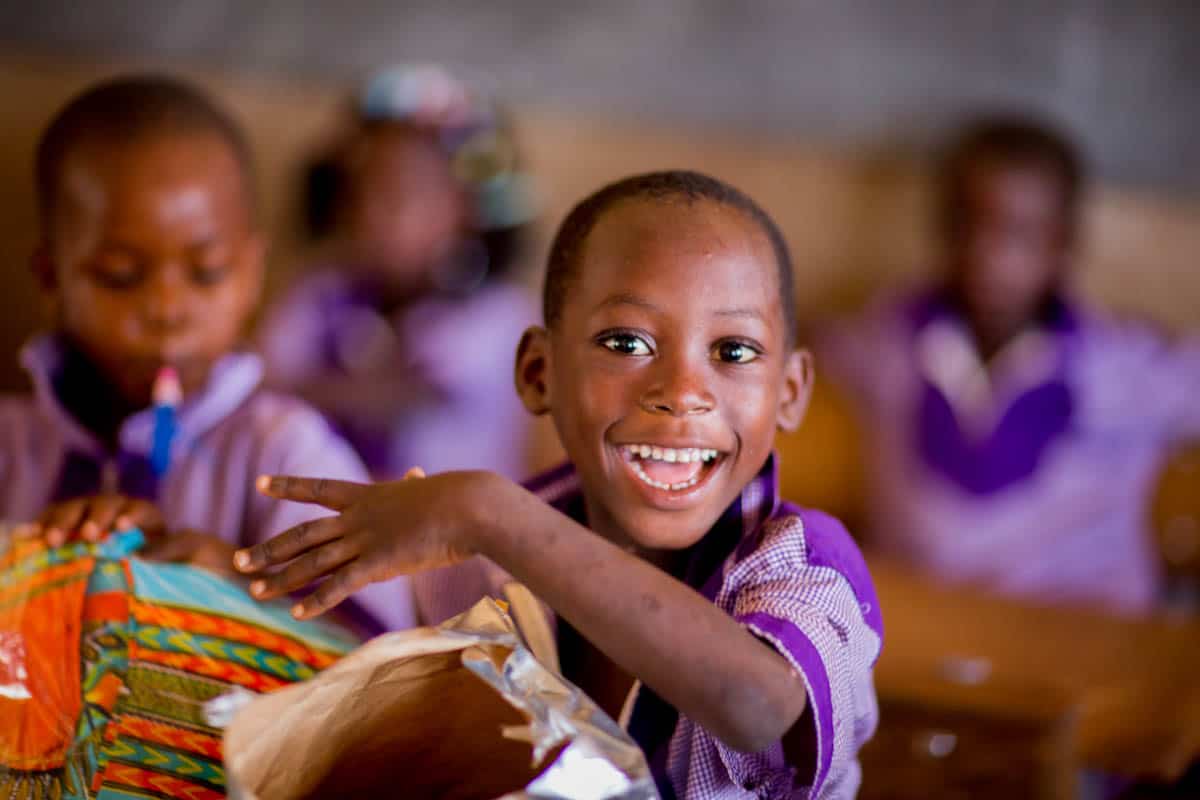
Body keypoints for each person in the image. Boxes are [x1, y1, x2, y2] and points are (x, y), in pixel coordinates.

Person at [236, 171, 882, 799]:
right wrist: (222, 573)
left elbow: (754, 706)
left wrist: (487, 511)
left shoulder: (803, 564)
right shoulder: (485, 557)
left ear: (790, 392)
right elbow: (367, 664)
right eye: (627, 342)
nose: (684, 394)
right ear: (540, 373)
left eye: (734, 352)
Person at [3, 74, 415, 633]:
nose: (168, 309)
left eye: (208, 273)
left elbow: (383, 664)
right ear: (51, 279)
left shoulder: (283, 452)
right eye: (120, 276)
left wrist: (240, 590)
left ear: (251, 274)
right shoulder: (11, 447)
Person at [817, 115, 1200, 614]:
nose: (987, 255)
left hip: (1080, 645)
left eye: (1018, 233)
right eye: (968, 224)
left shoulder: (1124, 369)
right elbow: (804, 351)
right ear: (943, 228)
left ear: (1062, 245)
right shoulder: (886, 340)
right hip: (917, 629)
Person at [257, 65, 537, 479]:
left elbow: (418, 397)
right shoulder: (318, 293)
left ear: (468, 210)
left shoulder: (499, 314)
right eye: (360, 191)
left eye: (399, 194)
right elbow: (265, 385)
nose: (371, 213)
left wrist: (316, 388)